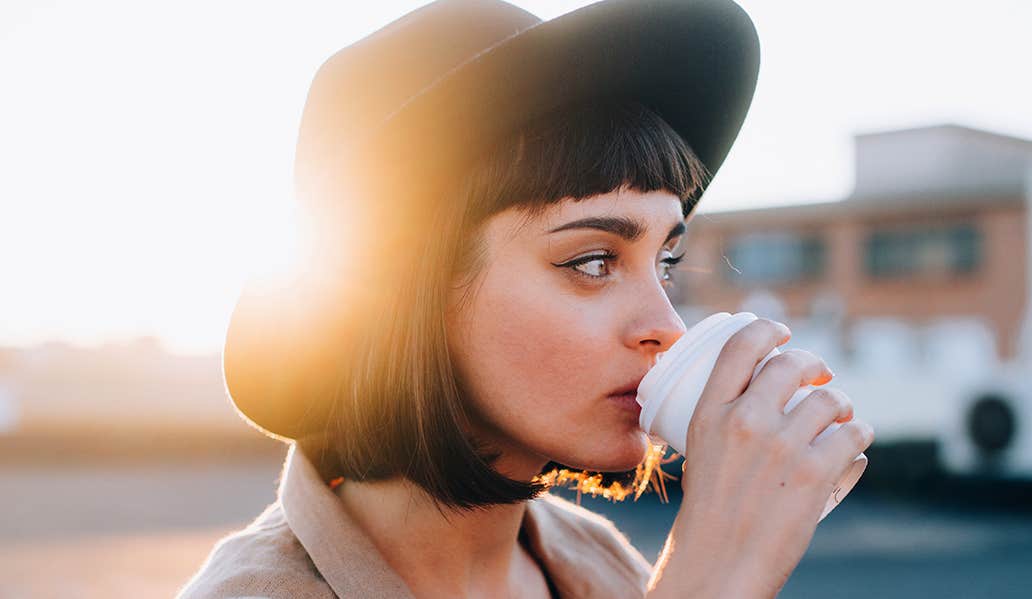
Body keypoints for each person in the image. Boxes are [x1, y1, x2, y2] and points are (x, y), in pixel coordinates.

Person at [179, 0, 873, 597]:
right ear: (409, 294)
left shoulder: (600, 562)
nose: (665, 326)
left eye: (665, 261)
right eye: (593, 260)